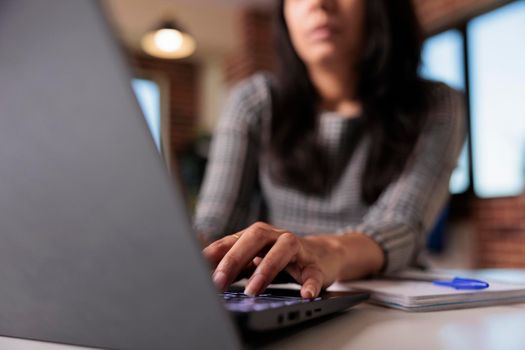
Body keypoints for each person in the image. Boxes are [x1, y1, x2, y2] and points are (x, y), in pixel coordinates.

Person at [194, 0, 466, 299]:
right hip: (278, 294)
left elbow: (401, 225)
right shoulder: (254, 102)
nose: (319, 4)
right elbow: (214, 224)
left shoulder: (436, 105)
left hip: (390, 300)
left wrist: (325, 250)